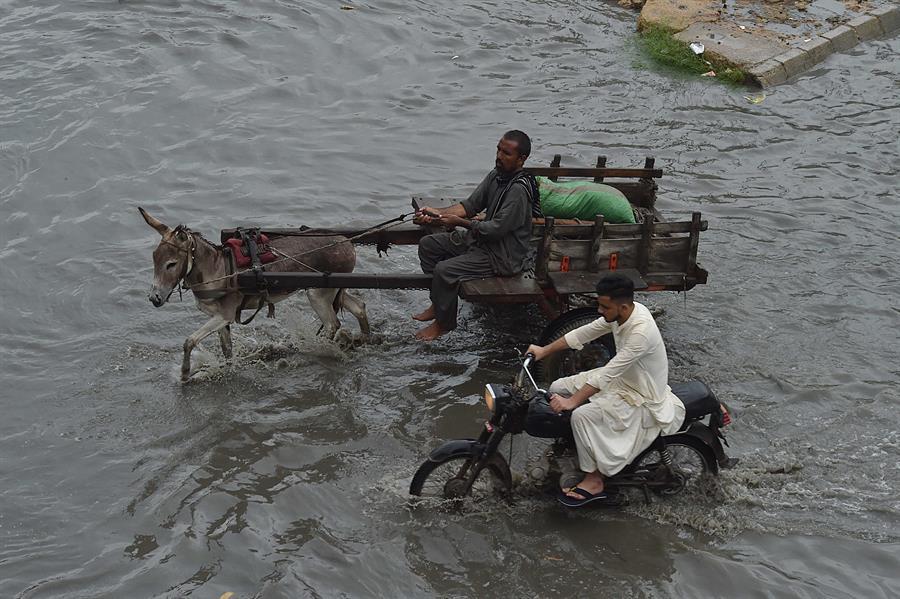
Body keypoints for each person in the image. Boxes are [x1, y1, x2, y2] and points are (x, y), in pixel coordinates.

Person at [526, 273, 686, 507]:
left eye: (604, 306)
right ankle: (574, 449)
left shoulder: (640, 332)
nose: (600, 311)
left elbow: (607, 373)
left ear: (622, 306)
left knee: (580, 415)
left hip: (640, 394)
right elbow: (585, 332)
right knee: (558, 386)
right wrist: (543, 350)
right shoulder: (622, 313)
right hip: (622, 380)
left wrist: (572, 402)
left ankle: (594, 479)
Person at [412, 130, 539, 340]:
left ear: (521, 159)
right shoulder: (496, 176)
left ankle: (444, 324)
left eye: (506, 153)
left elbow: (495, 229)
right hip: (481, 241)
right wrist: (438, 214)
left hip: (502, 256)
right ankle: (438, 303)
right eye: (498, 149)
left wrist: (459, 223)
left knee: (445, 270)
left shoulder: (518, 190)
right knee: (429, 245)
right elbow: (470, 206)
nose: (499, 156)